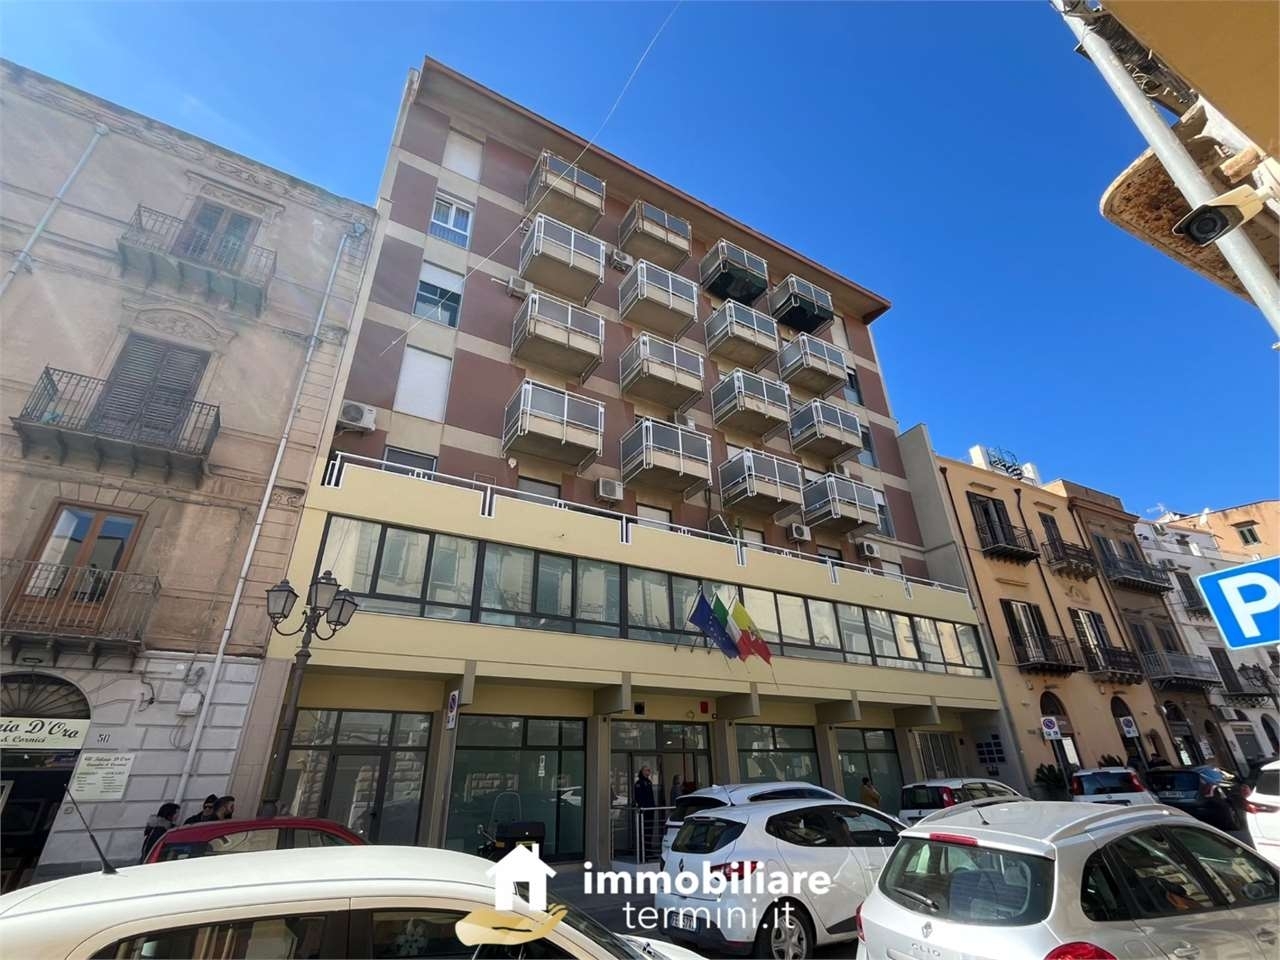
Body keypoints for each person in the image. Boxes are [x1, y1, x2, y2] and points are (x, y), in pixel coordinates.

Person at [633, 767, 655, 855]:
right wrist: (643, 807)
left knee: (650, 831)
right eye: (646, 770)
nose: (648, 772)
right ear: (642, 772)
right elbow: (638, 797)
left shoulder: (649, 782)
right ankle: (643, 852)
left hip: (650, 810)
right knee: (643, 831)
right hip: (644, 812)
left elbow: (651, 796)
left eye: (649, 770)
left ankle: (648, 851)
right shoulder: (639, 783)